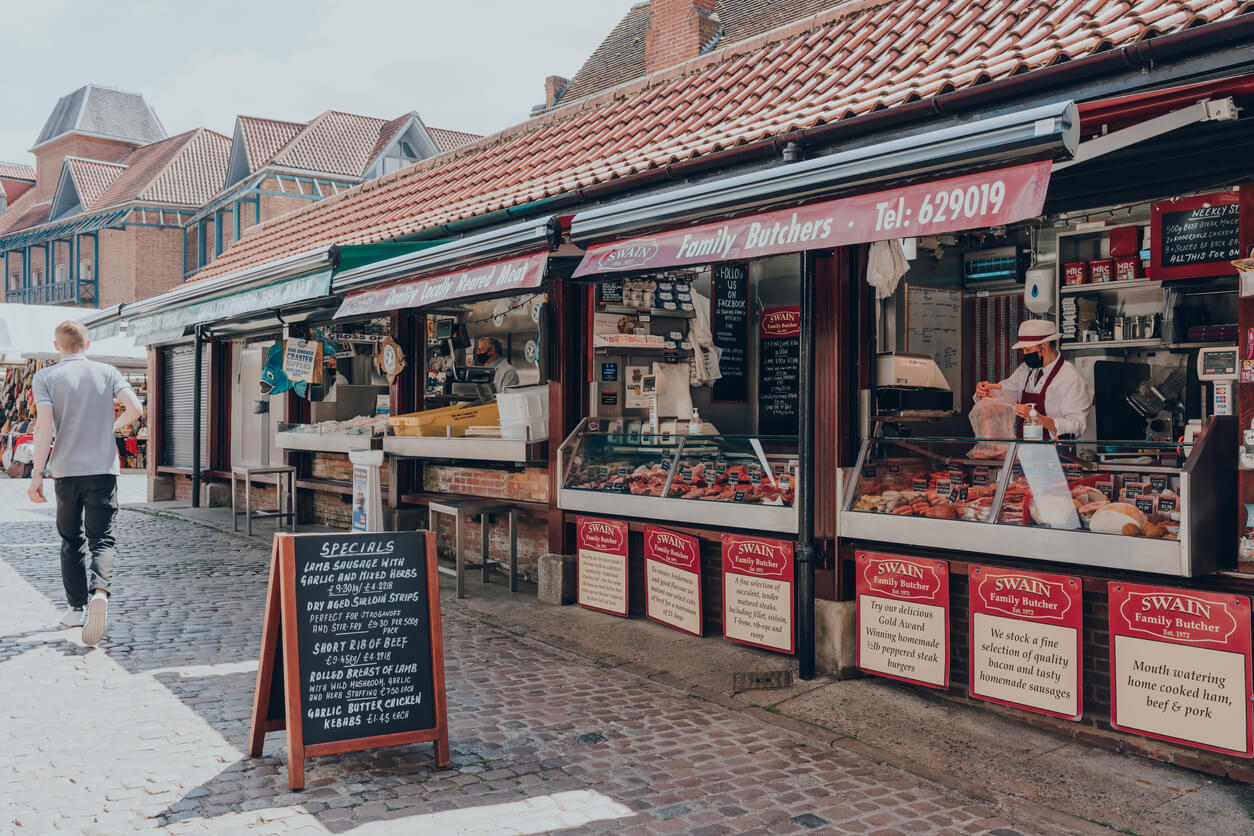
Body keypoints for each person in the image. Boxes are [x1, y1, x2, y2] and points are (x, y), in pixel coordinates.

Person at [27, 321, 143, 646]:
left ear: (56, 345)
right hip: (103, 469)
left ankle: (76, 608)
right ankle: (101, 593)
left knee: (70, 539)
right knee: (103, 539)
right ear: (88, 344)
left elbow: (45, 426)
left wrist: (37, 473)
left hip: (65, 471)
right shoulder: (107, 372)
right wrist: (112, 427)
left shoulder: (45, 377)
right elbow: (136, 408)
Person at [975, 319, 1093, 439]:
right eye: (1023, 351)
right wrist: (986, 392)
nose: (1025, 355)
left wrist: (1040, 419)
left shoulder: (1070, 378)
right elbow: (1008, 393)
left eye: (1028, 350)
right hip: (1025, 450)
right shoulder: (1026, 370)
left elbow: (1077, 426)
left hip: (1056, 453)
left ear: (1044, 345)